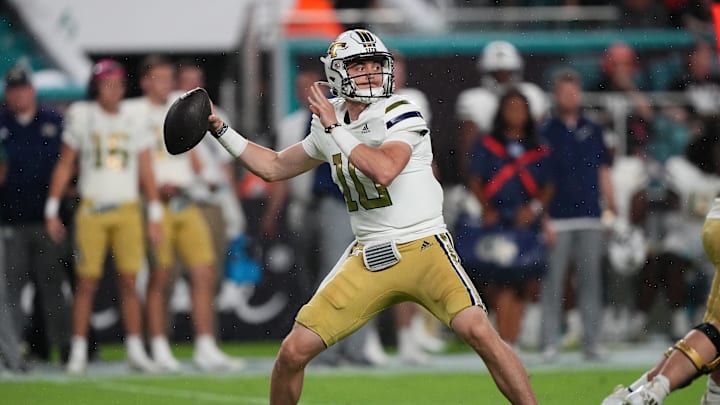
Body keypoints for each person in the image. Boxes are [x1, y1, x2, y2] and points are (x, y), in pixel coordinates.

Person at [206, 28, 537, 404]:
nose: (371, 73)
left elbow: (383, 169)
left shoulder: (400, 110)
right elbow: (274, 166)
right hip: (369, 256)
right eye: (359, 66)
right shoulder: (327, 122)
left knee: (480, 333)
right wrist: (221, 129)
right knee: (292, 353)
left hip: (424, 248)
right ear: (336, 73)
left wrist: (335, 128)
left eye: (375, 65)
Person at [125, 55, 242, 372]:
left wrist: (204, 176)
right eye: (159, 78)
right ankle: (160, 347)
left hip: (186, 199)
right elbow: (139, 160)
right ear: (146, 81)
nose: (165, 85)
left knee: (204, 272)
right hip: (156, 204)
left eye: (168, 78)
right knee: (160, 276)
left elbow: (188, 150)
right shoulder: (133, 112)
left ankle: (205, 346)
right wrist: (151, 202)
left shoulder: (175, 107)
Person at [44, 59, 161, 374]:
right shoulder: (83, 116)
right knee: (85, 282)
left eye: (118, 84)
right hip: (93, 206)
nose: (113, 90)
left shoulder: (134, 119)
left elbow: (146, 169)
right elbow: (66, 163)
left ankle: (135, 348)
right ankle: (79, 349)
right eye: (107, 83)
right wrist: (52, 207)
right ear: (97, 87)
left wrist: (154, 212)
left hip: (126, 207)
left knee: (130, 281)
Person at [601, 137, 720, 404]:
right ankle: (654, 392)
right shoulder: (683, 170)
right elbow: (664, 200)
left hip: (711, 226)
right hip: (692, 235)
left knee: (715, 328)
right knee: (717, 330)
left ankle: (632, 394)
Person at [464, 88, 552, 347]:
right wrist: (487, 208)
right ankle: (503, 340)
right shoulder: (488, 143)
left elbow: (548, 185)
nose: (516, 114)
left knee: (524, 280)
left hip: (526, 220)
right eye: (510, 109)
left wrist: (534, 209)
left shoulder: (538, 146)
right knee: (499, 279)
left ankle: (514, 338)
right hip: (497, 219)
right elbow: (476, 179)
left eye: (521, 109)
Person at [538, 68, 616, 361]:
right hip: (557, 217)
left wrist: (612, 207)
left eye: (574, 91)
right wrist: (542, 217)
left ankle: (593, 341)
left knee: (591, 282)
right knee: (553, 283)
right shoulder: (545, 131)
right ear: (556, 96)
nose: (570, 97)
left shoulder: (593, 129)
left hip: (590, 215)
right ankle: (549, 342)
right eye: (564, 92)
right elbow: (540, 178)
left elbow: (603, 169)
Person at [0, 63, 72, 365]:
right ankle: (12, 353)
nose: (19, 96)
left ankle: (67, 350)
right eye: (13, 90)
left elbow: (68, 164)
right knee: (11, 291)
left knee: (53, 288)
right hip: (10, 220)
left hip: (47, 218)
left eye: (23, 89)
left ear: (32, 91)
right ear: (7, 94)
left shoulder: (53, 120)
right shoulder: (1, 123)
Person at [454, 40, 548, 180]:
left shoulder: (532, 94)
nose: (503, 77)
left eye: (507, 72)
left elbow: (542, 141)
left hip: (528, 166)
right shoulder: (474, 99)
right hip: (491, 169)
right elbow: (468, 149)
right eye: (497, 73)